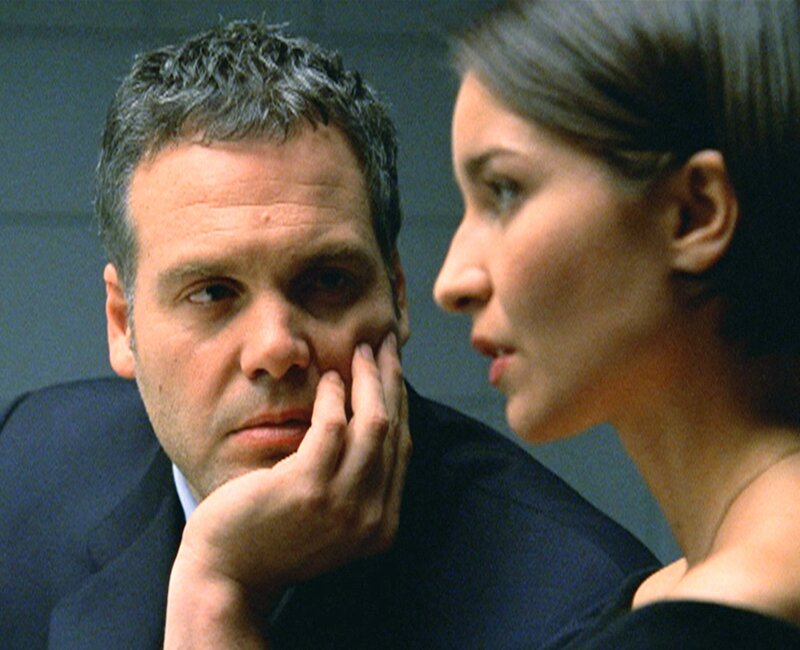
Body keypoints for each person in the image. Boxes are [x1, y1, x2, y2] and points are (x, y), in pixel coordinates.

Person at [0, 19, 657, 650]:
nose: (276, 348)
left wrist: (215, 594)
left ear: (396, 294)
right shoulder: (22, 468)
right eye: (212, 293)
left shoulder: (580, 616)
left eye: (327, 282)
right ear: (123, 323)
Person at [434, 0, 800, 647]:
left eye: (505, 191)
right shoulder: (668, 601)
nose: (452, 282)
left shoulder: (711, 628)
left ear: (692, 213)